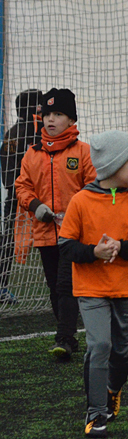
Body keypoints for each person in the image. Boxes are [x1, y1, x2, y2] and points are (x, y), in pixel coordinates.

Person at [58, 130, 128, 438]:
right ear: (113, 166)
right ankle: (95, 412)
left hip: (124, 289)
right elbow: (66, 246)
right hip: (90, 290)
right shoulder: (80, 202)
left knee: (122, 351)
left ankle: (113, 390)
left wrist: (121, 247)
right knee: (99, 345)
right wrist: (94, 252)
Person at [15, 88, 97, 360]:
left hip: (74, 234)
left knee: (65, 284)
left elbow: (92, 186)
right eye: (47, 113)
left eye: (58, 114)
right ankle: (68, 334)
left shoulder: (84, 152)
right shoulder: (32, 153)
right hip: (43, 233)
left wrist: (77, 212)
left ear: (71, 120)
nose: (51, 119)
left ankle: (65, 338)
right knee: (54, 287)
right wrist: (35, 206)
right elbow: (22, 186)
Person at [0, 89, 42, 303]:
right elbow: (8, 175)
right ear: (33, 107)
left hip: (25, 198)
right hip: (22, 200)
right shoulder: (19, 134)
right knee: (9, 241)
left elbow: (7, 176)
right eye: (40, 104)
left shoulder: (40, 132)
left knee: (9, 241)